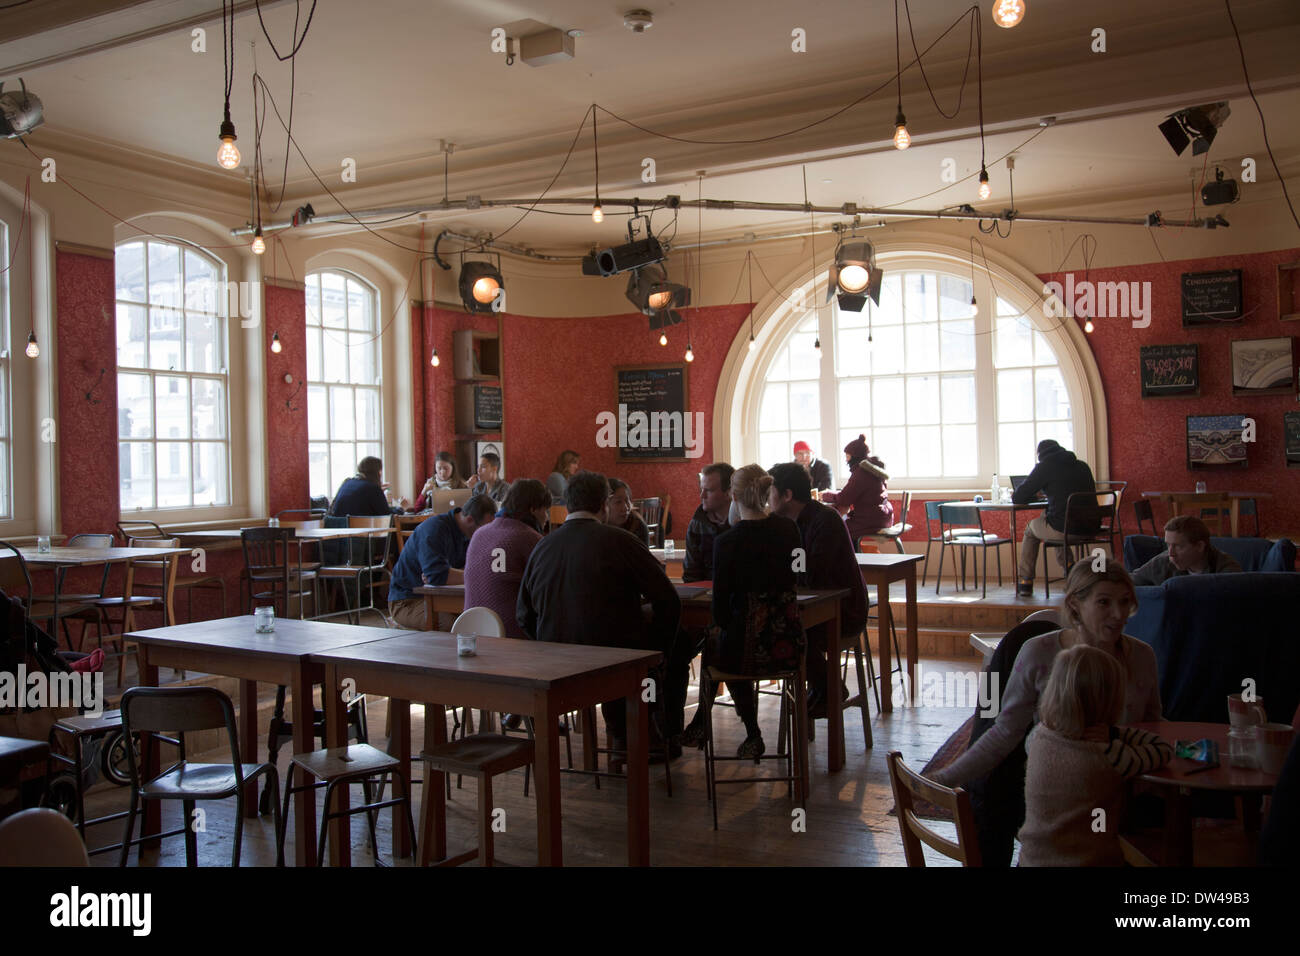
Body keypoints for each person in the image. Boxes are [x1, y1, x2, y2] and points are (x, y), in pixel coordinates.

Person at [929, 559, 1163, 866]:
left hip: (1116, 787)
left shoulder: (1142, 656)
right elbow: (1003, 732)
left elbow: (1155, 727)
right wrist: (944, 779)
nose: (1118, 615)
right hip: (1055, 790)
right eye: (1104, 602)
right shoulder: (1039, 652)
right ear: (1075, 606)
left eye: (1124, 602)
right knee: (990, 795)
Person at [517, 471, 685, 752]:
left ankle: (625, 734)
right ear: (603, 505)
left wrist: (553, 643)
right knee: (652, 655)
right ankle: (643, 737)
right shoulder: (620, 541)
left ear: (567, 504)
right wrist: (657, 651)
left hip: (557, 665)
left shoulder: (542, 546)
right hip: (613, 661)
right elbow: (669, 600)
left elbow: (523, 613)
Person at [1017, 645, 1171, 866]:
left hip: (1031, 861)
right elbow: (1162, 750)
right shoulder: (1109, 756)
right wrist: (1115, 732)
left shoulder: (1038, 737)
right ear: (1110, 702)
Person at [705, 465, 802, 759]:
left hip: (744, 652)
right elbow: (798, 573)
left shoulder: (726, 543)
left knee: (715, 645)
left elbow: (720, 608)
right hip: (787, 646)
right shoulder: (790, 530)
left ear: (733, 496)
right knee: (723, 642)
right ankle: (741, 732)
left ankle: (751, 731)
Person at [768, 462, 869, 719]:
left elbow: (812, 574)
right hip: (812, 608)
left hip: (843, 610)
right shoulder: (787, 522)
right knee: (778, 625)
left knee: (789, 630)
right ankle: (823, 688)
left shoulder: (825, 520)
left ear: (787, 495)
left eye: (770, 491)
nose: (766, 499)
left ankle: (828, 688)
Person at [388, 494, 495, 630]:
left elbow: (474, 566)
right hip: (408, 600)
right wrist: (474, 576)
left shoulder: (467, 533)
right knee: (454, 627)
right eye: (485, 529)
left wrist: (456, 574)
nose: (487, 534)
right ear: (469, 520)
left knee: (482, 620)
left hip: (440, 596)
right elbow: (438, 576)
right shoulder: (434, 530)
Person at [464, 479, 550, 640]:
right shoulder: (530, 538)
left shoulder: (479, 534)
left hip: (472, 636)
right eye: (545, 510)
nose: (546, 518)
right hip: (513, 639)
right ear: (533, 509)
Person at [1013, 439, 1099, 597]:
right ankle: (1069, 566)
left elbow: (1018, 497)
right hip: (1092, 528)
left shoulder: (1045, 466)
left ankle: (1025, 581)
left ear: (1040, 455)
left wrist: (1036, 491)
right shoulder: (1082, 465)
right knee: (1049, 517)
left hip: (1067, 529)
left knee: (1031, 529)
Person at [820, 435, 893, 547]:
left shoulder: (862, 473)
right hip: (882, 516)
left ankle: (850, 561)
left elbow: (844, 499)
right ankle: (854, 559)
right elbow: (849, 494)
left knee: (838, 529)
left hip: (870, 520)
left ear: (854, 456)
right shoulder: (873, 469)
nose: (846, 459)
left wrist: (825, 496)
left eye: (847, 456)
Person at [1130, 514, 1242, 586]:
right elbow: (1129, 582)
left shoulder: (1227, 570)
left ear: (1199, 546)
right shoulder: (1163, 561)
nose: (1171, 553)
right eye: (1168, 545)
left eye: (1178, 546)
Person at [683, 462, 734, 583]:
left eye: (709, 490)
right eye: (701, 489)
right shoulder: (697, 523)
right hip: (703, 593)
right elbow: (691, 573)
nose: (702, 495)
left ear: (728, 493)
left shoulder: (743, 523)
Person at [330, 456, 408, 515]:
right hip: (364, 533)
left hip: (340, 532)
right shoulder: (372, 488)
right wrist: (401, 508)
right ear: (376, 472)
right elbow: (387, 515)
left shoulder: (347, 482)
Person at [605, 478, 650, 546]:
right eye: (618, 502)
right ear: (605, 505)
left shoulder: (637, 525)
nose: (625, 508)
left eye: (627, 500)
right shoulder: (597, 526)